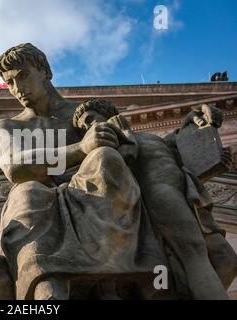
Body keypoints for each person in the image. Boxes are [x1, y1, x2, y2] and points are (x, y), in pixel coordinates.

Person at [0, 43, 167, 300]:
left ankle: (112, 282)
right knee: (27, 194)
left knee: (106, 159)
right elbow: (16, 168)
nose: (18, 89)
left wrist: (187, 131)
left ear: (45, 71)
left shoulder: (85, 115)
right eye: (10, 83)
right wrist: (82, 147)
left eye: (23, 76)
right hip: (38, 199)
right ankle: (48, 291)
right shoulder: (6, 126)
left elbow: (131, 152)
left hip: (91, 194)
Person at [73, 99, 236, 299]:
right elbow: (122, 164)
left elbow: (183, 144)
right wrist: (122, 134)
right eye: (83, 127)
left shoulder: (150, 137)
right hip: (160, 194)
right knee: (195, 255)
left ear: (106, 112)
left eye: (89, 120)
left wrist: (197, 117)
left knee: (226, 259)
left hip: (190, 194)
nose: (88, 127)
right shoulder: (108, 147)